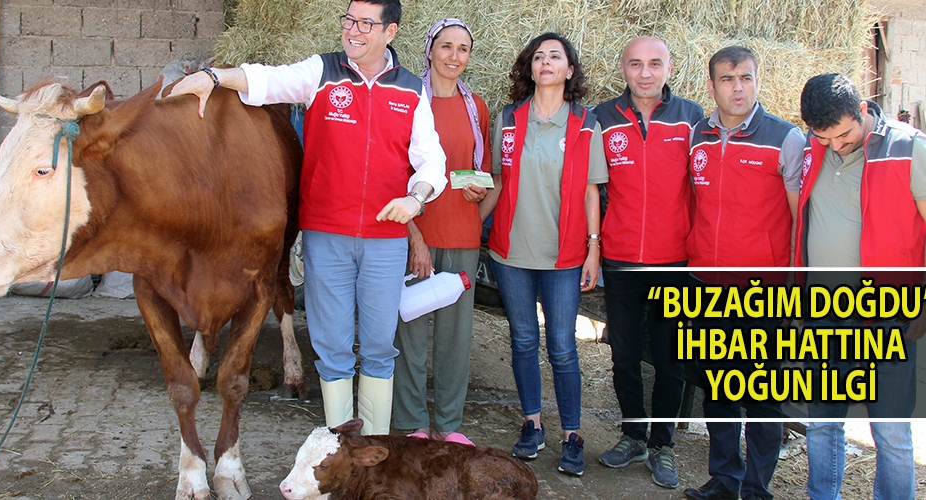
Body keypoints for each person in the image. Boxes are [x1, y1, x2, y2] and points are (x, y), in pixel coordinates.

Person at [170, 0, 447, 436]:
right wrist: (215, 77)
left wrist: (416, 198)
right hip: (326, 237)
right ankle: (339, 448)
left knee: (379, 348)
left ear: (390, 32)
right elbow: (267, 80)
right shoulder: (323, 72)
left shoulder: (411, 90)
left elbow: (433, 161)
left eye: (366, 24)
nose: (353, 31)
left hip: (385, 240)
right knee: (333, 348)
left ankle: (372, 448)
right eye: (349, 20)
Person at [795, 73, 926, 500]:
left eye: (844, 135)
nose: (836, 146)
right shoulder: (810, 147)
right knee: (822, 422)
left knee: (891, 431)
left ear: (862, 110)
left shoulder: (909, 148)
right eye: (824, 138)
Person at [683, 46, 805, 500]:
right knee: (718, 390)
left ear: (757, 81)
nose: (738, 88)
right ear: (711, 85)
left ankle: (757, 488)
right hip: (707, 286)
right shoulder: (698, 136)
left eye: (746, 78)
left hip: (763, 292)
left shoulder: (785, 139)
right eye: (728, 79)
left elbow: (800, 220)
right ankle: (724, 478)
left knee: (761, 396)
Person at [489, 32, 607, 477]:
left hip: (564, 256)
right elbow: (496, 181)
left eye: (555, 56)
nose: (546, 62)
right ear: (530, 67)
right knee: (522, 340)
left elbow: (592, 192)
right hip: (512, 253)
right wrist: (469, 222)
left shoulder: (586, 123)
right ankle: (532, 424)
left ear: (569, 70)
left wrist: (593, 249)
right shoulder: (508, 119)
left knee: (562, 347)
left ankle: (572, 435)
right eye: (538, 56)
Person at [593, 36, 703, 489]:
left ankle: (663, 444)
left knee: (670, 357)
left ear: (669, 68)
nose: (645, 73)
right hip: (621, 258)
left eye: (654, 64)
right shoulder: (603, 117)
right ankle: (633, 434)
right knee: (623, 354)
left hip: (674, 258)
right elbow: (590, 186)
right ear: (623, 68)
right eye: (636, 64)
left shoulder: (691, 117)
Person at [392, 17, 495, 446]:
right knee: (410, 334)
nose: (454, 56)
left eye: (463, 49)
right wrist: (414, 237)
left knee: (456, 340)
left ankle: (449, 425)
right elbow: (394, 174)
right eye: (447, 46)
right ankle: (413, 422)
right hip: (417, 235)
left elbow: (483, 172)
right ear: (430, 50)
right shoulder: (409, 100)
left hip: (462, 238)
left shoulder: (477, 107)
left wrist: (478, 199)